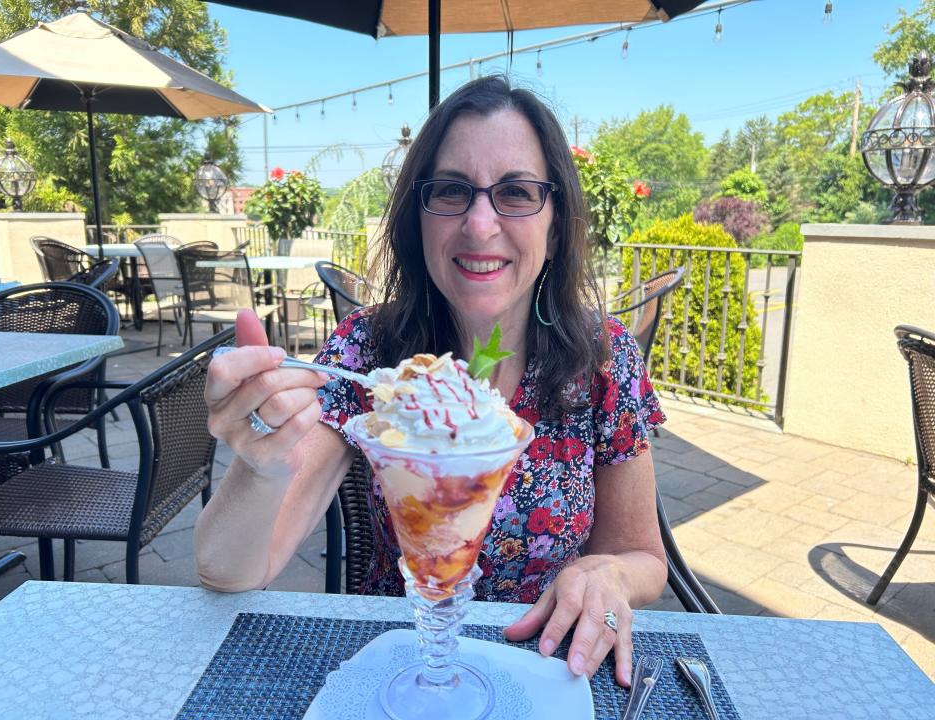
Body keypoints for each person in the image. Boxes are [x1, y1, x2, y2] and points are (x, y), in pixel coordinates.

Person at [195, 75, 667, 688]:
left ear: (555, 225)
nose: (478, 223)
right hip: (401, 666)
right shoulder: (369, 355)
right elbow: (226, 571)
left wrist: (611, 579)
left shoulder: (604, 361)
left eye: (516, 192)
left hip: (548, 670)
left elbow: (645, 558)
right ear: (418, 218)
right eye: (450, 191)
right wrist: (259, 462)